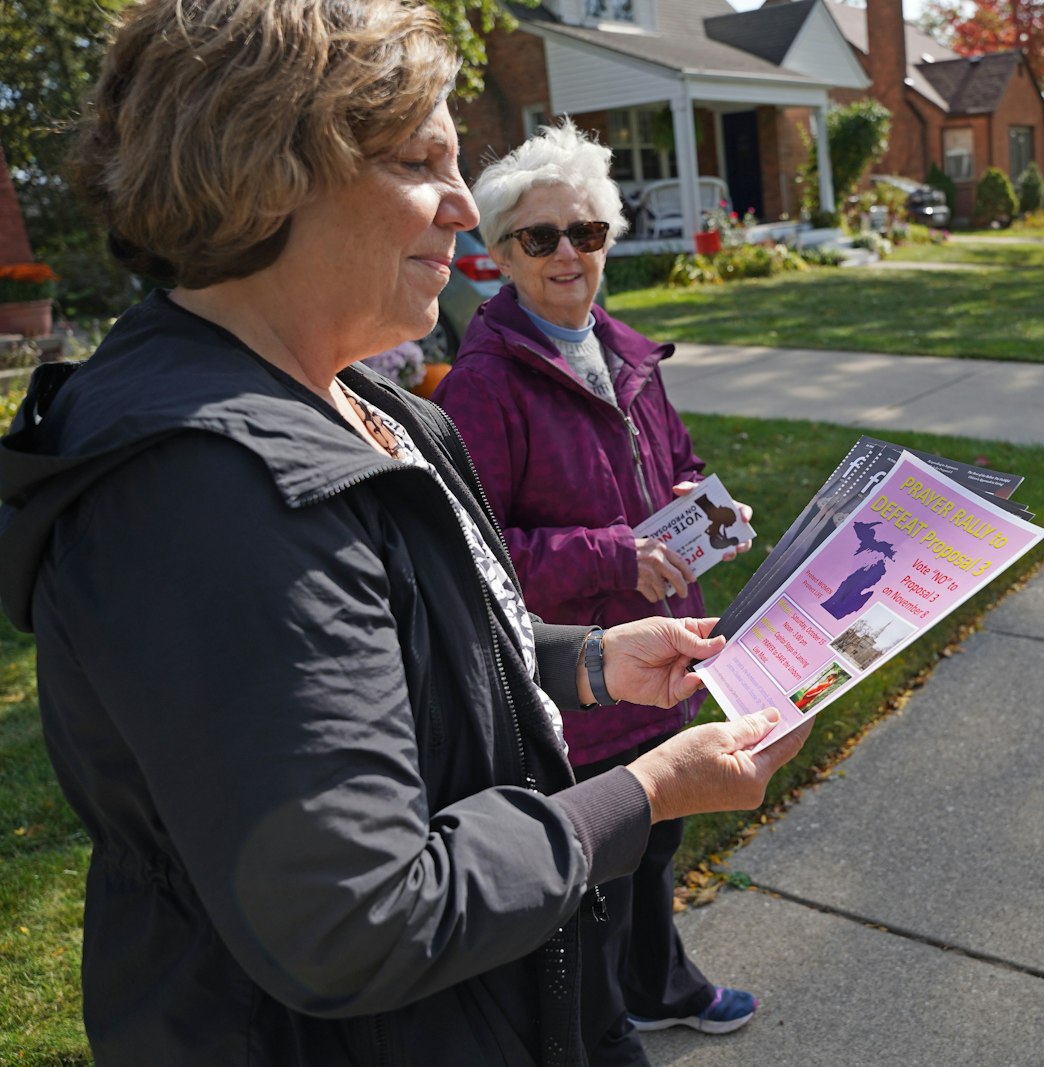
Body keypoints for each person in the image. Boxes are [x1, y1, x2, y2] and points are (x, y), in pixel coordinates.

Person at [0, 3, 808, 1065]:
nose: (465, 207)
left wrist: (590, 660)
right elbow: (360, 917)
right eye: (421, 160)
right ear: (268, 169)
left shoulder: (364, 403)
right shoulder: (203, 490)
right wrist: (649, 790)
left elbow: (406, 646)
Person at [432, 123, 757, 1067]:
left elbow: (673, 462)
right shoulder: (484, 386)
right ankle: (598, 1027)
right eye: (541, 238)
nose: (569, 253)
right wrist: (614, 555)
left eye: (587, 231)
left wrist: (703, 502)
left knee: (659, 847)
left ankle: (662, 988)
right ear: (499, 256)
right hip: (582, 685)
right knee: (603, 880)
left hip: (661, 663)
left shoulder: (627, 353)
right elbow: (476, 555)